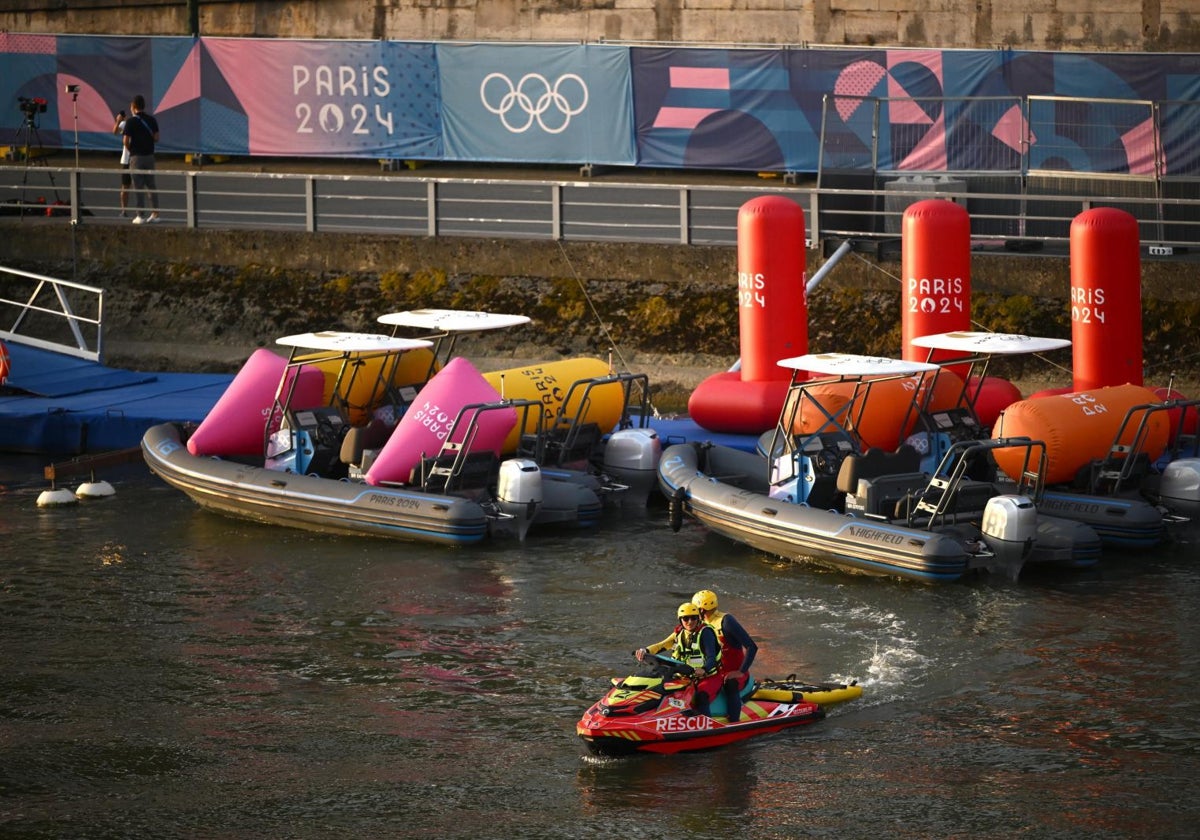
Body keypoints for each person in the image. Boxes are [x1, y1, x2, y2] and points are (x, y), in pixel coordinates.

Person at [636, 602, 723, 717]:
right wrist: (645, 650)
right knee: (660, 689)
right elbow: (662, 644)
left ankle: (706, 723)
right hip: (685, 677)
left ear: (698, 618)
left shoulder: (706, 633)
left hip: (708, 677)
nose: (690, 622)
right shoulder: (679, 633)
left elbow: (711, 657)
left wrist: (704, 669)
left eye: (693, 618)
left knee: (701, 695)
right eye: (685, 619)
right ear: (680, 620)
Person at [692, 589, 758, 722]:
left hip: (734, 674)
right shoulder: (696, 624)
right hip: (714, 673)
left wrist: (740, 671)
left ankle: (734, 720)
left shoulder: (726, 622)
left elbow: (752, 647)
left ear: (702, 610)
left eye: (695, 610)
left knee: (730, 683)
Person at [122, 94, 160, 224]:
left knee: (138, 186)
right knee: (151, 185)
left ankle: (140, 215)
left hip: (136, 157)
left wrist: (131, 149)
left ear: (133, 107)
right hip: (149, 156)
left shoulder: (130, 122)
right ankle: (155, 214)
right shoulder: (151, 120)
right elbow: (156, 138)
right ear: (144, 106)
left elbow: (125, 140)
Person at [111, 108, 131, 216]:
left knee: (141, 186)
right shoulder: (125, 123)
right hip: (126, 160)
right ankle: (124, 211)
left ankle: (142, 213)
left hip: (136, 158)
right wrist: (118, 121)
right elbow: (114, 132)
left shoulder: (136, 123)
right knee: (125, 186)